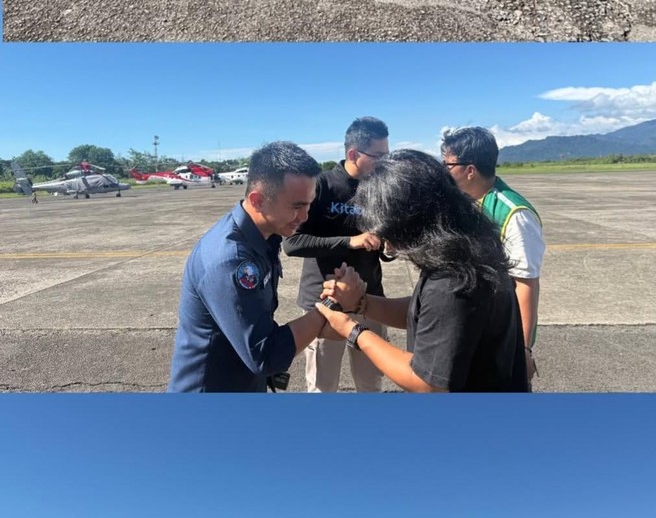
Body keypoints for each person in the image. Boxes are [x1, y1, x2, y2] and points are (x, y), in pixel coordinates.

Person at [315, 150, 528, 392]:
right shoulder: (465, 252)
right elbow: (428, 312)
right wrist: (361, 303)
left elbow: (426, 382)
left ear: (405, 221)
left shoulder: (453, 281)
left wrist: (351, 329)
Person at [168, 141, 330, 392]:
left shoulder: (266, 235)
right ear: (258, 201)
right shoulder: (229, 260)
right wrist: (326, 312)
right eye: (297, 206)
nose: (305, 217)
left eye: (309, 204)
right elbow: (265, 354)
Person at [283, 117, 391, 393]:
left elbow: (384, 244)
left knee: (371, 384)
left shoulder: (380, 189)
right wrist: (349, 242)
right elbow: (292, 243)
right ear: (353, 154)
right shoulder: (321, 186)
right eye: (378, 156)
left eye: (386, 155)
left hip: (370, 300)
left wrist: (390, 249)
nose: (384, 163)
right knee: (322, 386)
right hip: (325, 303)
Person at [440, 126, 544, 387]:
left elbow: (526, 284)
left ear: (470, 170)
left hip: (499, 338)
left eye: (448, 165)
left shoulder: (514, 215)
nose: (444, 171)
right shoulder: (465, 203)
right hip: (471, 330)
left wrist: (522, 349)